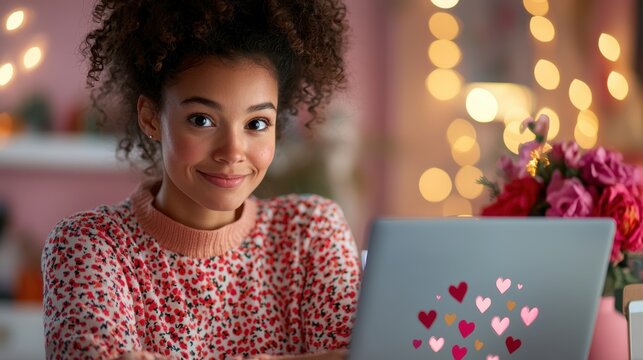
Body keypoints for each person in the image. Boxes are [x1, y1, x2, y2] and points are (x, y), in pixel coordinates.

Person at [41, 1, 361, 359]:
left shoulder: (312, 230)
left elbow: (363, 354)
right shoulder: (89, 244)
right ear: (150, 117)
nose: (232, 151)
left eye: (256, 124)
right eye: (202, 120)